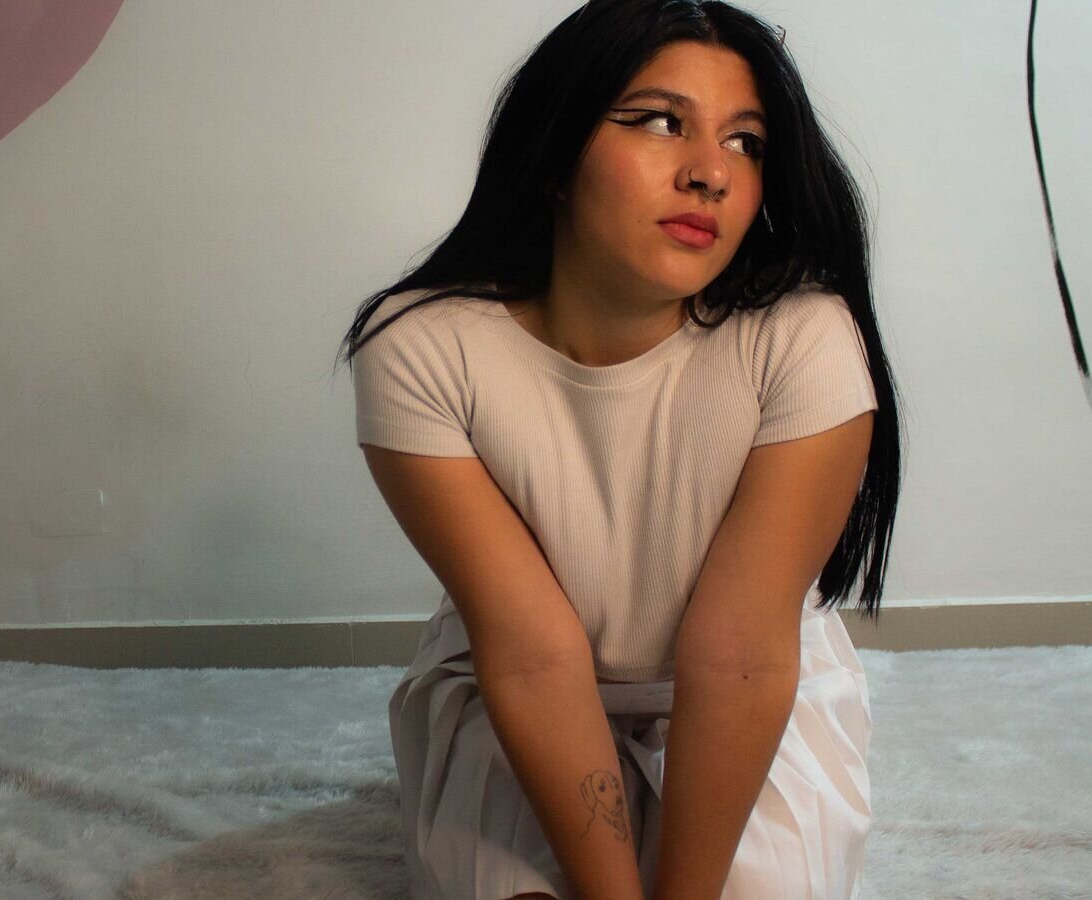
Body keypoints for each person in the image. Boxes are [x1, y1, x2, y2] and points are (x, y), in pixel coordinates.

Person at [338, 1, 904, 897]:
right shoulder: (422, 350)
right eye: (660, 122)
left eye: (746, 142)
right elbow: (532, 658)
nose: (711, 173)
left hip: (750, 691)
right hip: (515, 690)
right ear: (554, 154)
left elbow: (741, 655)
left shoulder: (803, 338)